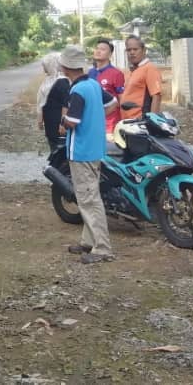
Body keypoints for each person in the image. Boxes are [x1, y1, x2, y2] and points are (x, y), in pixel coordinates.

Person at [57, 45, 114, 264]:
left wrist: (62, 121)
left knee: (89, 199)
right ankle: (88, 240)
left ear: (65, 67)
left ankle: (102, 248)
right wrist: (96, 118)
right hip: (94, 148)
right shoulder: (93, 84)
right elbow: (112, 104)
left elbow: (72, 122)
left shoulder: (77, 91)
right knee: (88, 195)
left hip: (81, 151)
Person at [88, 39, 126, 136]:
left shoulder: (116, 74)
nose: (98, 51)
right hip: (91, 121)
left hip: (109, 124)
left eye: (103, 49)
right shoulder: (90, 73)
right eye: (97, 48)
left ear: (110, 54)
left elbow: (121, 100)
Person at [120, 36, 163, 119]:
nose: (132, 52)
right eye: (129, 50)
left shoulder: (149, 68)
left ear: (144, 50)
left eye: (135, 49)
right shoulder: (134, 70)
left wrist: (152, 121)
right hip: (129, 122)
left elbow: (156, 96)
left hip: (141, 122)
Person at [37, 52, 69, 153]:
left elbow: (66, 104)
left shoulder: (62, 82)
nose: (44, 68)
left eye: (45, 65)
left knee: (59, 151)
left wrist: (63, 124)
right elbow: (42, 102)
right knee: (54, 148)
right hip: (50, 122)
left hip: (58, 124)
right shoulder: (49, 80)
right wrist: (40, 119)